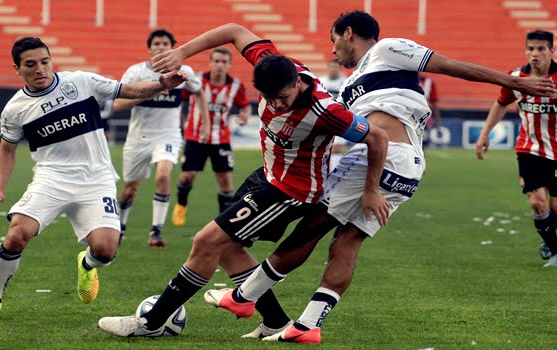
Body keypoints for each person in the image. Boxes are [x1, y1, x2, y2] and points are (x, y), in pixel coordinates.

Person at [200, 12, 557, 344]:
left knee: (310, 228)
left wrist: (512, 81)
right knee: (346, 242)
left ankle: (245, 297)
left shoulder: (387, 49)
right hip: (407, 167)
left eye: (334, 39)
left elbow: (451, 66)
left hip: (383, 158)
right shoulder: (353, 82)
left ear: (349, 33)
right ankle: (308, 326)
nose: (333, 48)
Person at [97, 23, 389, 338]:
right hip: (267, 176)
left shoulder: (325, 111)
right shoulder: (272, 63)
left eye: (282, 98)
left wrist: (371, 189)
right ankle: (275, 322)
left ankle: (150, 323)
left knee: (207, 241)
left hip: (290, 192)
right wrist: (182, 52)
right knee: (227, 248)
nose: (276, 105)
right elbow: (235, 31)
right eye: (268, 98)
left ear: (295, 83)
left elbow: (378, 137)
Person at [0, 37, 190, 322]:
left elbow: (129, 90)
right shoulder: (15, 109)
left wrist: (162, 84)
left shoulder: (81, 82)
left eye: (45, 61)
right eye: (30, 64)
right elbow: (6, 151)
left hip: (96, 179)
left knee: (106, 250)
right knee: (16, 235)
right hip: (51, 179)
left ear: (51, 60)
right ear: (17, 69)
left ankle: (87, 264)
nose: (40, 69)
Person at [476, 30, 557, 267]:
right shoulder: (516, 77)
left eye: (541, 49)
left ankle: (547, 238)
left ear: (551, 51)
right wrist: (485, 134)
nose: (535, 54)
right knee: (537, 202)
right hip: (529, 149)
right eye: (531, 49)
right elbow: (500, 103)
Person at [115, 29, 210, 247]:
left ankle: (156, 230)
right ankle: (120, 226)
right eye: (156, 43)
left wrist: (206, 122)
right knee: (130, 189)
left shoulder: (184, 71)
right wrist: (154, 89)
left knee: (163, 175)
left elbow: (199, 92)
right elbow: (118, 104)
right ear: (149, 48)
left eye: (165, 43)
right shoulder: (136, 72)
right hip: (139, 137)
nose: (160, 46)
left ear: (172, 47)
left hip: (167, 135)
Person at [172, 47, 252, 226]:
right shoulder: (197, 80)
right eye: (216, 61)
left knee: (225, 180)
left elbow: (245, 106)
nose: (220, 65)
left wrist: (245, 115)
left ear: (229, 64)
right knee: (187, 176)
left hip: (221, 139)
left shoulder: (236, 86)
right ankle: (181, 205)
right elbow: (179, 98)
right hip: (195, 137)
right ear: (211, 62)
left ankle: (223, 223)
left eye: (224, 62)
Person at [418, 73, 441, 147]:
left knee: (422, 143)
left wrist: (437, 121)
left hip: (424, 119)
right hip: (408, 117)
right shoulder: (405, 80)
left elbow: (434, 103)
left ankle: (421, 158)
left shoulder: (429, 82)